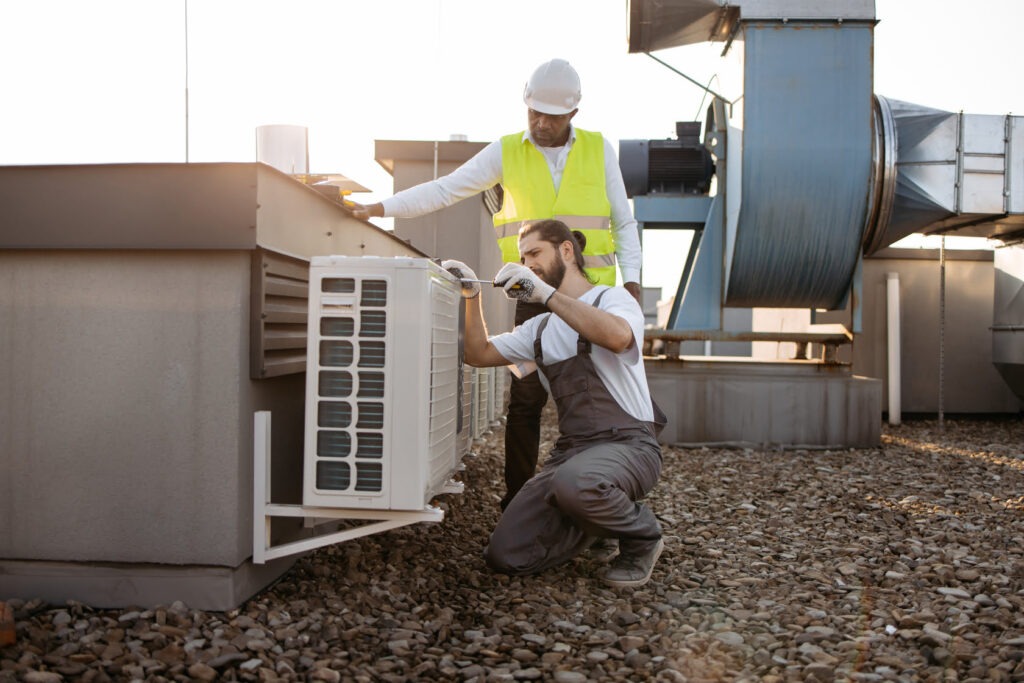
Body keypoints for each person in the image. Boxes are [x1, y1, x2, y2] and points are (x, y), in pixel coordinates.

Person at [347, 58, 644, 511]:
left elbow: (624, 222)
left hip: (592, 299)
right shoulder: (506, 151)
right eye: (533, 113)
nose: (540, 124)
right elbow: (446, 189)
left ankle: (604, 498)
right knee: (525, 398)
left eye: (551, 116)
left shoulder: (599, 150)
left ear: (573, 115)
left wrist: (634, 284)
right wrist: (379, 208)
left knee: (596, 401)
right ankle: (518, 500)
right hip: (531, 299)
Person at [441, 219, 665, 587]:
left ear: (565, 251)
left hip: (629, 445)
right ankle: (596, 523)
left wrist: (545, 294)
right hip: (573, 452)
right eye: (522, 257)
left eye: (534, 253)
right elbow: (478, 353)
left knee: (577, 483)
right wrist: (470, 295)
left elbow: (619, 337)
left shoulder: (612, 299)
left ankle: (642, 537)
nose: (527, 264)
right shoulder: (540, 328)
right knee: (506, 555)